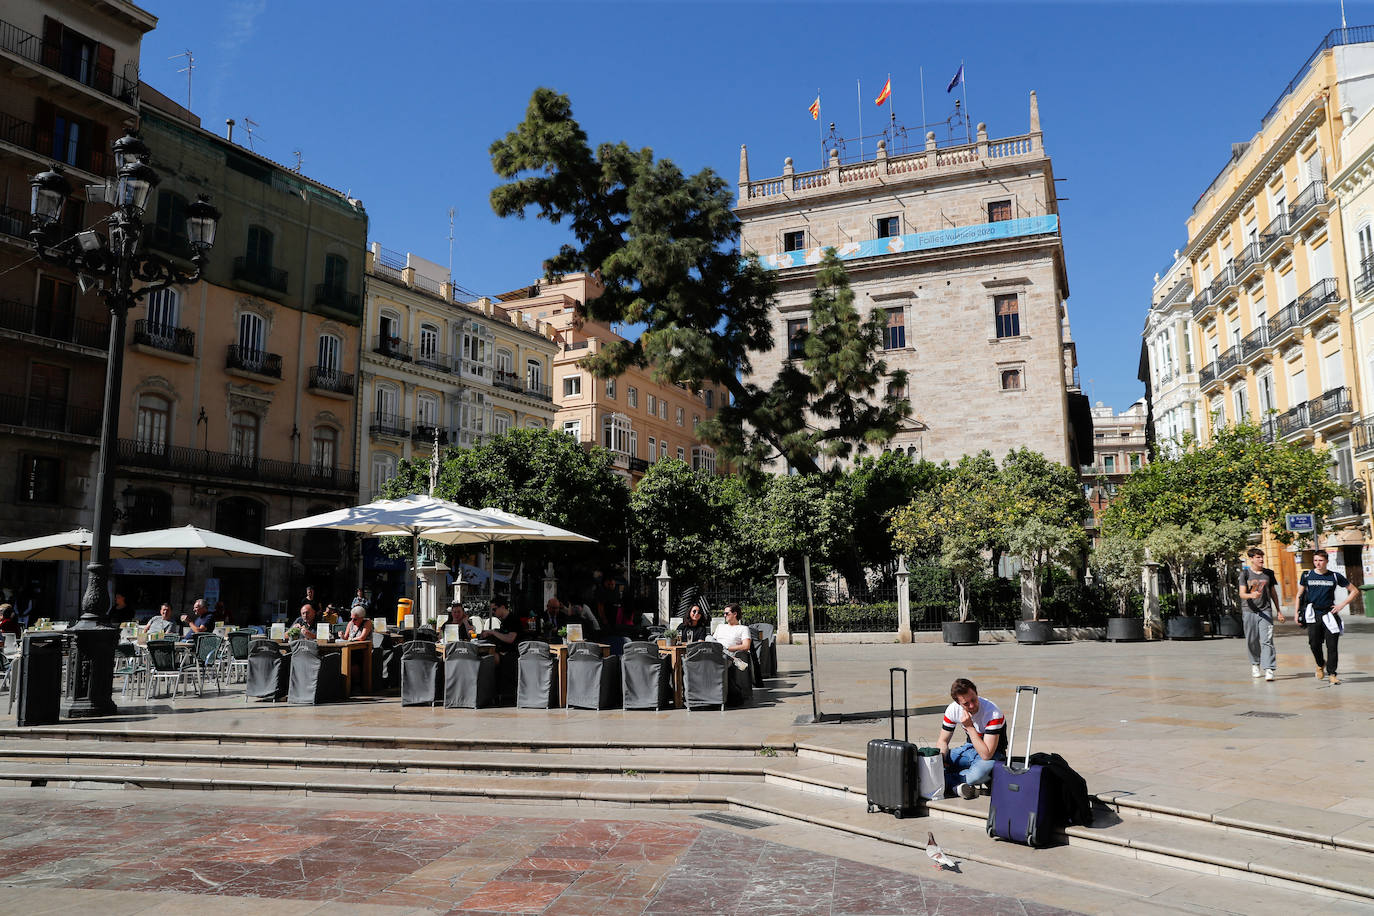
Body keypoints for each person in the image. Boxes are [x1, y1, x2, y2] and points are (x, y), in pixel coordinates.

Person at [936, 677, 1006, 799]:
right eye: (966, 703)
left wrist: (970, 727)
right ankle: (957, 784)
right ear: (958, 703)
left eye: (973, 699)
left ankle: (947, 781)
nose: (972, 705)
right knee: (933, 760)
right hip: (969, 749)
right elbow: (942, 741)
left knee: (978, 774)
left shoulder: (993, 713)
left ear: (976, 693)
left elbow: (986, 754)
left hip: (993, 754)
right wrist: (941, 759)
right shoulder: (952, 709)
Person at [1294, 549, 1354, 686]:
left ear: (1327, 561)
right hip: (1313, 614)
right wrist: (1296, 613)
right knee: (1314, 643)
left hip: (1329, 614)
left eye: (1321, 560)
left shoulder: (1334, 576)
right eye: (1315, 560)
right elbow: (1299, 595)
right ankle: (1320, 664)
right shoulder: (1307, 575)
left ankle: (1332, 674)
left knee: (1332, 646)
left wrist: (1341, 605)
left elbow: (1354, 591)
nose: (1318, 563)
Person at [1238, 547, 1284, 681]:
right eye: (1258, 557)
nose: (1261, 559)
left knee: (1267, 640)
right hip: (1249, 611)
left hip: (1266, 611)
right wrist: (1251, 595)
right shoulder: (1245, 574)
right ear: (1251, 559)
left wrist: (1279, 611)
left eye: (1262, 557)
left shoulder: (1269, 573)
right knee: (1252, 640)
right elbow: (1241, 594)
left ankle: (1269, 668)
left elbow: (1273, 593)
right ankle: (1255, 664)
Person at [709, 604, 751, 669]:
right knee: (708, 637)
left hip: (727, 655)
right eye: (724, 613)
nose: (724, 615)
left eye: (727, 613)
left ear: (735, 614)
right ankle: (733, 659)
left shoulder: (743, 628)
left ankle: (728, 656)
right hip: (716, 652)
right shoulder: (720, 626)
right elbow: (712, 642)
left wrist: (729, 648)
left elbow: (746, 646)